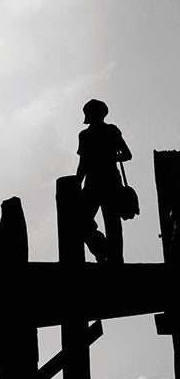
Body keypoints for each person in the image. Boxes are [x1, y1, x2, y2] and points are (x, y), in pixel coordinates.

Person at [75, 98, 132, 263]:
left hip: (109, 183)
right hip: (95, 183)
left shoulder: (110, 131)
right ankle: (103, 249)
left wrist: (107, 158)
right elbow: (83, 163)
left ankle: (114, 258)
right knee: (81, 221)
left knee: (111, 223)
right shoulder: (85, 135)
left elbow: (127, 155)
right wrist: (76, 183)